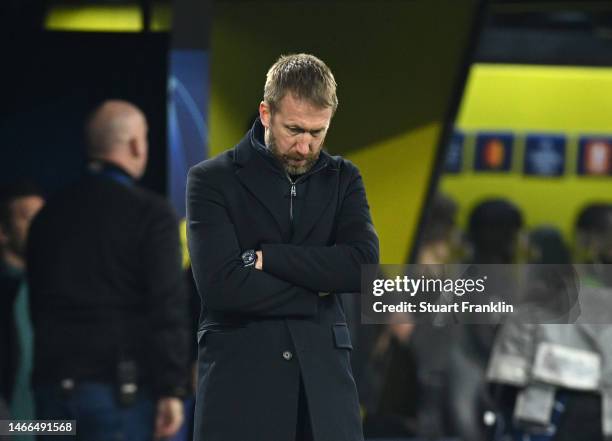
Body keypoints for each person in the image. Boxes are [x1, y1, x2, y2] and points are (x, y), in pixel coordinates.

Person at [187, 53, 379, 441]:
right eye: (294, 129)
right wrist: (317, 291)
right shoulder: (211, 181)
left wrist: (269, 258)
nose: (305, 147)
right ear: (265, 113)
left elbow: (361, 266)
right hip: (240, 387)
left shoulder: (345, 179)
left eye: (317, 132)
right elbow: (222, 286)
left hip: (324, 393)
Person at [27, 100, 190, 441]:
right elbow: (167, 305)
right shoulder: (152, 214)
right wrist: (172, 389)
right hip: (119, 399)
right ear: (134, 145)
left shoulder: (46, 216)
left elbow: (36, 305)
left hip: (50, 396)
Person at [0, 181, 44, 437]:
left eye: (43, 216)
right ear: (3, 231)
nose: (40, 226)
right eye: (28, 217)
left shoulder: (56, 291)